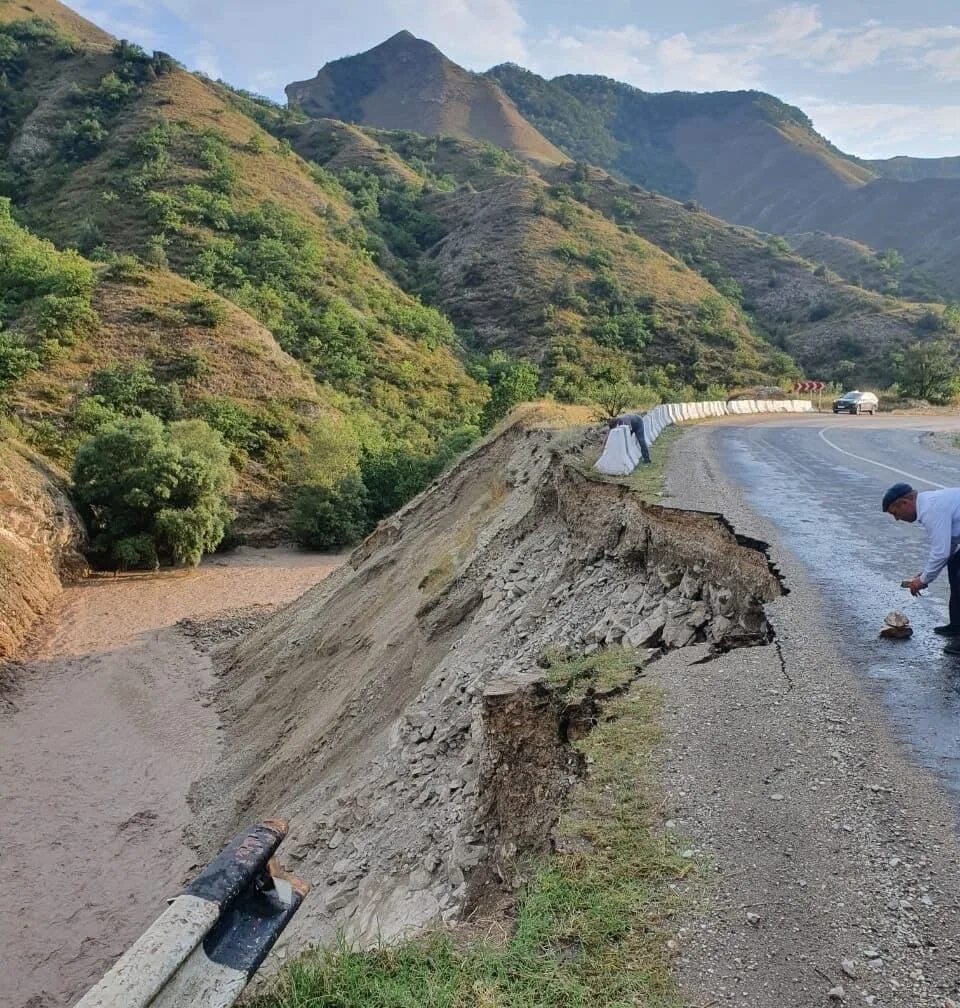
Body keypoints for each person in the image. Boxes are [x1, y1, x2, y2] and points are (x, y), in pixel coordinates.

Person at [883, 481, 960, 652]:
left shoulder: (931, 508)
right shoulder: (929, 505)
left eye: (895, 513)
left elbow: (940, 552)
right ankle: (957, 625)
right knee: (955, 565)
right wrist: (926, 574)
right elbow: (951, 541)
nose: (896, 518)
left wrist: (923, 580)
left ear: (905, 503)